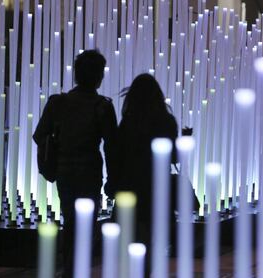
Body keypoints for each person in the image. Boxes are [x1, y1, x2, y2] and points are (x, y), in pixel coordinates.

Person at [33, 49, 118, 278]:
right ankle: (75, 268)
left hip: (64, 171)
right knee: (86, 223)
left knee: (70, 217)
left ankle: (70, 267)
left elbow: (39, 135)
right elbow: (112, 147)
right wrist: (114, 179)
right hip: (90, 172)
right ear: (99, 76)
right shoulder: (102, 106)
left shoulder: (58, 103)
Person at [104, 73, 178, 275]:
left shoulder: (127, 124)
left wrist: (112, 181)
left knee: (130, 238)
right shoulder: (167, 122)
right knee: (153, 240)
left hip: (130, 188)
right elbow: (173, 157)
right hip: (156, 189)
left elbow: (115, 154)